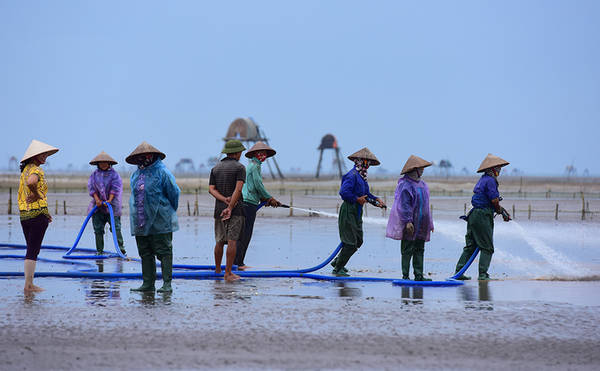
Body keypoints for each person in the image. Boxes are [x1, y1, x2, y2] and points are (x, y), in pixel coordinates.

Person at [127, 141, 180, 293]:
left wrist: (167, 211)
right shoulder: (136, 175)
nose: (143, 159)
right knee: (145, 252)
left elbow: (174, 193)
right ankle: (148, 284)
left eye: (146, 156)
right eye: (140, 157)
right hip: (141, 221)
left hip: (160, 221)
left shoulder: (163, 172)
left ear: (152, 156)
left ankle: (167, 284)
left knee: (164, 251)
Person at [454, 153, 511, 281]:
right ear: (492, 169)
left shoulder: (483, 179)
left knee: (471, 246)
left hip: (473, 215)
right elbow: (494, 201)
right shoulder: (491, 181)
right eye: (498, 168)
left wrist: (501, 210)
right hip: (482, 215)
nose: (499, 170)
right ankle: (483, 274)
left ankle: (459, 271)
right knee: (487, 247)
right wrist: (501, 211)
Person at [332, 147, 386, 276]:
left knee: (358, 241)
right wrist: (356, 199)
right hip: (348, 210)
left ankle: (338, 261)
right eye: (366, 162)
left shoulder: (362, 178)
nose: (368, 165)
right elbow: (343, 192)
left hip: (357, 211)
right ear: (360, 161)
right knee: (350, 243)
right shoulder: (352, 176)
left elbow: (366, 195)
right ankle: (338, 269)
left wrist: (376, 201)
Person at [18, 139, 59, 292]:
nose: (45, 157)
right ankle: (29, 285)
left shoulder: (25, 170)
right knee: (33, 250)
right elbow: (31, 183)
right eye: (42, 154)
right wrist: (36, 193)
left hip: (25, 216)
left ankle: (28, 284)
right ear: (34, 156)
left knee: (31, 249)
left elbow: (28, 186)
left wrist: (45, 213)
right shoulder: (36, 170)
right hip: (36, 218)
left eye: (46, 154)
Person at [386, 155, 434, 281]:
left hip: (422, 223)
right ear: (414, 169)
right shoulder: (405, 184)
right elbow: (404, 205)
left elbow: (427, 206)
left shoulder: (423, 185)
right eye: (421, 168)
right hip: (411, 223)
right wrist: (407, 221)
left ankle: (419, 275)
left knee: (419, 248)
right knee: (408, 249)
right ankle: (405, 275)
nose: (422, 170)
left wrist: (430, 223)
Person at [234, 142, 281, 270]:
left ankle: (237, 262)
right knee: (246, 234)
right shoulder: (254, 166)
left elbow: (253, 187)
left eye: (264, 153)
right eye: (260, 153)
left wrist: (264, 199)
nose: (263, 155)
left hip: (249, 201)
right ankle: (239, 263)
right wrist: (269, 198)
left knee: (243, 233)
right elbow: (258, 185)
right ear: (255, 154)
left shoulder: (252, 166)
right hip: (248, 203)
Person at [209, 140, 246, 282]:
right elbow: (238, 189)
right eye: (241, 152)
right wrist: (230, 206)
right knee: (232, 241)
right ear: (237, 153)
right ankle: (228, 273)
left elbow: (211, 189)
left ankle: (218, 270)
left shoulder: (216, 168)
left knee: (219, 240)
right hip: (235, 210)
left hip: (219, 209)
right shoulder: (240, 168)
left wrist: (224, 200)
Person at [87, 151, 126, 255]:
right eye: (101, 162)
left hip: (112, 207)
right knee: (98, 229)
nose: (103, 164)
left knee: (115, 228)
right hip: (97, 207)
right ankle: (99, 251)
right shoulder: (94, 175)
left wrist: (109, 200)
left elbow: (115, 188)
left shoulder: (114, 175)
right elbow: (91, 188)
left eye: (105, 162)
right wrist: (97, 200)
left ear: (109, 163)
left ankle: (121, 251)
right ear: (97, 164)